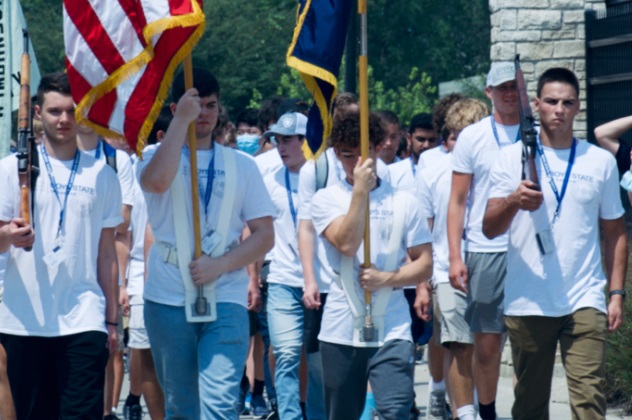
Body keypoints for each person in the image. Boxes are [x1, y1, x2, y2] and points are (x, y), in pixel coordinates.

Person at [482, 67, 627, 419]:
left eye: (567, 102)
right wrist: (514, 201)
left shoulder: (600, 161)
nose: (559, 109)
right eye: (551, 101)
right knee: (530, 405)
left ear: (578, 107)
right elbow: (489, 228)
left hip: (584, 297)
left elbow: (615, 232)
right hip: (529, 299)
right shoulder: (511, 157)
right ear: (536, 104)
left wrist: (616, 294)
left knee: (589, 399)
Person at [136, 67, 274, 418]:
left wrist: (221, 265)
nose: (204, 114)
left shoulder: (243, 165)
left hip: (225, 293)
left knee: (220, 402)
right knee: (181, 405)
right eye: (196, 106)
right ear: (176, 108)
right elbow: (156, 183)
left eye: (211, 106)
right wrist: (181, 123)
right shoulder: (153, 155)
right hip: (167, 296)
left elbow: (264, 235)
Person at [0, 72, 122, 419]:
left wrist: (112, 321)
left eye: (72, 111)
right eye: (55, 111)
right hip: (23, 320)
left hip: (83, 316)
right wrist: (8, 236)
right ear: (38, 113)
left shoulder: (103, 175)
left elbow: (107, 254)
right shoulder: (11, 171)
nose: (64, 119)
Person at [312, 111, 433, 419]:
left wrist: (386, 278)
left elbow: (425, 264)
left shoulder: (405, 201)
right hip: (340, 327)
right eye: (347, 155)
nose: (356, 163)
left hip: (392, 325)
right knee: (341, 414)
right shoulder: (325, 199)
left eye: (362, 154)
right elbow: (347, 244)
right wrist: (359, 193)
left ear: (379, 148)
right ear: (336, 153)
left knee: (396, 410)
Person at [447, 61, 521, 420]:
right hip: (486, 248)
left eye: (515, 86)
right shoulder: (473, 137)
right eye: (502, 87)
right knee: (488, 345)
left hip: (531, 251)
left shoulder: (538, 132)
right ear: (489, 92)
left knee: (528, 346)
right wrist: (454, 256)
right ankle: (488, 411)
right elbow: (458, 200)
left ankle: (527, 412)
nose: (509, 93)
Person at [417, 98, 490, 420]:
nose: (464, 142)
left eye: (471, 134)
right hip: (448, 271)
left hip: (490, 265)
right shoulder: (432, 169)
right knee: (458, 344)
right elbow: (424, 232)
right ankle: (465, 414)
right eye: (457, 135)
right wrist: (423, 283)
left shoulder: (497, 166)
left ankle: (482, 407)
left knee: (485, 348)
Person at [122, 107, 172, 420]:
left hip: (184, 270)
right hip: (141, 269)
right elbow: (125, 230)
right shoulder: (135, 166)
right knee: (145, 349)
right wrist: (124, 282)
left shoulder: (191, 164)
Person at [261, 112, 310, 419]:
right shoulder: (269, 182)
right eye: (277, 140)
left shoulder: (324, 177)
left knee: (318, 358)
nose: (280, 146)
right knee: (286, 353)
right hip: (281, 279)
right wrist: (252, 279)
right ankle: (289, 415)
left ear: (307, 141)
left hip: (323, 282)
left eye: (288, 139)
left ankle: (314, 413)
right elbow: (255, 231)